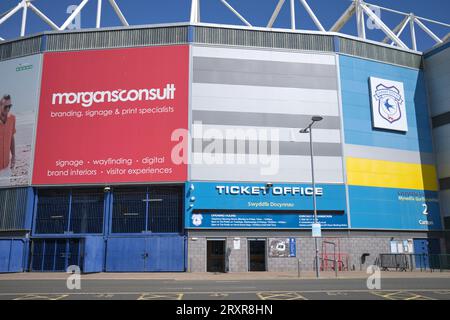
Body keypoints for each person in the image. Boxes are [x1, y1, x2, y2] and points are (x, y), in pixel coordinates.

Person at [0, 94, 16, 177]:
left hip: (6, 168)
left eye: (10, 106)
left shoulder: (12, 119)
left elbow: (11, 138)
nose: (8, 109)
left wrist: (13, 155)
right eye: (5, 107)